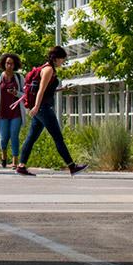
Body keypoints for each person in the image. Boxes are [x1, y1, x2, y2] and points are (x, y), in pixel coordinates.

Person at [16, 46, 87, 177]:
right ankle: (72, 166)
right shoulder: (48, 70)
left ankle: (21, 166)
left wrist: (61, 89)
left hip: (41, 108)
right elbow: (41, 91)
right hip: (43, 108)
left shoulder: (46, 68)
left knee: (31, 138)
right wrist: (36, 107)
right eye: (62, 59)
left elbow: (47, 90)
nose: (62, 62)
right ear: (55, 58)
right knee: (58, 137)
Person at [0, 53, 25, 169]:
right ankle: (3, 159)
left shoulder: (19, 78)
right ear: (3, 64)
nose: (9, 65)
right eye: (7, 63)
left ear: (15, 64)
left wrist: (16, 93)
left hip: (16, 113)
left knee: (14, 136)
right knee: (3, 138)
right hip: (2, 113)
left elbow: (25, 95)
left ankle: (15, 161)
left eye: (11, 63)